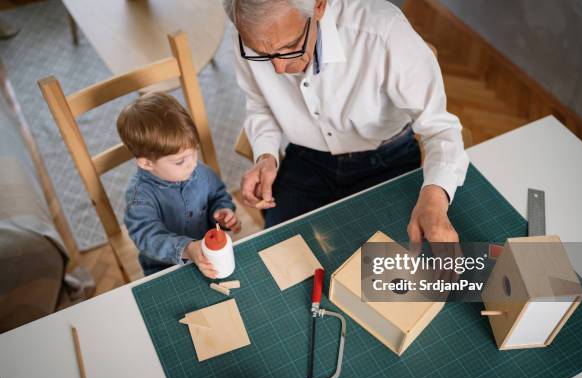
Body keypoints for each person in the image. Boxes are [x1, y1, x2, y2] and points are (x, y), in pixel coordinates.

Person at [225, 0, 469, 244]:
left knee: (389, 264)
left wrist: (435, 198)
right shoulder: (251, 39)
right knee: (278, 252)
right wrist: (266, 156)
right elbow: (261, 106)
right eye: (262, 54)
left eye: (290, 46)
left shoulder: (383, 30)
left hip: (387, 159)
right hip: (308, 160)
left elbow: (439, 129)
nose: (278, 68)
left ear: (318, 7)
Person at [117, 92, 241, 276]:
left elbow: (218, 194)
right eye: (180, 161)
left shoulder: (198, 170)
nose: (192, 163)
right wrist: (187, 249)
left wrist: (222, 211)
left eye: (195, 151)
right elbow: (147, 237)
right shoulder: (139, 196)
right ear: (147, 163)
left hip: (208, 256)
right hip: (165, 268)